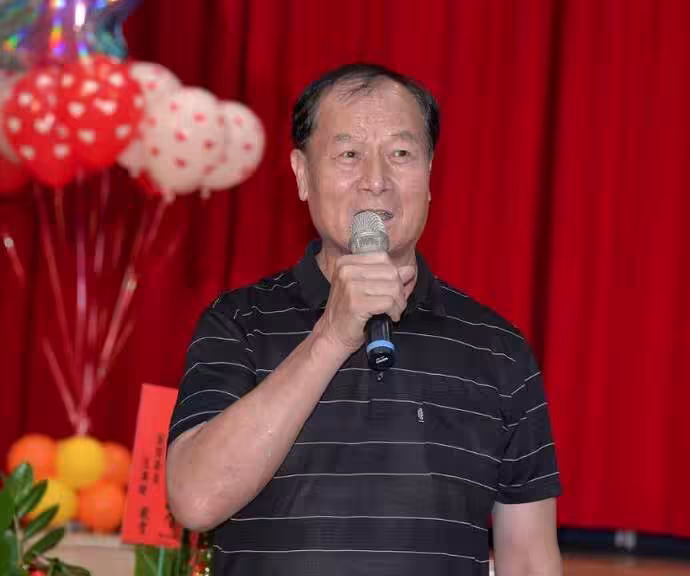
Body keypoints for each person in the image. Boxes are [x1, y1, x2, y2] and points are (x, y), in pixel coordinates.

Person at [166, 63, 562, 576]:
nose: (376, 181)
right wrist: (330, 337)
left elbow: (528, 557)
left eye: (401, 154)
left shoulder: (498, 349)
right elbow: (195, 500)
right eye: (349, 155)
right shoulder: (238, 322)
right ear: (302, 174)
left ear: (429, 174)